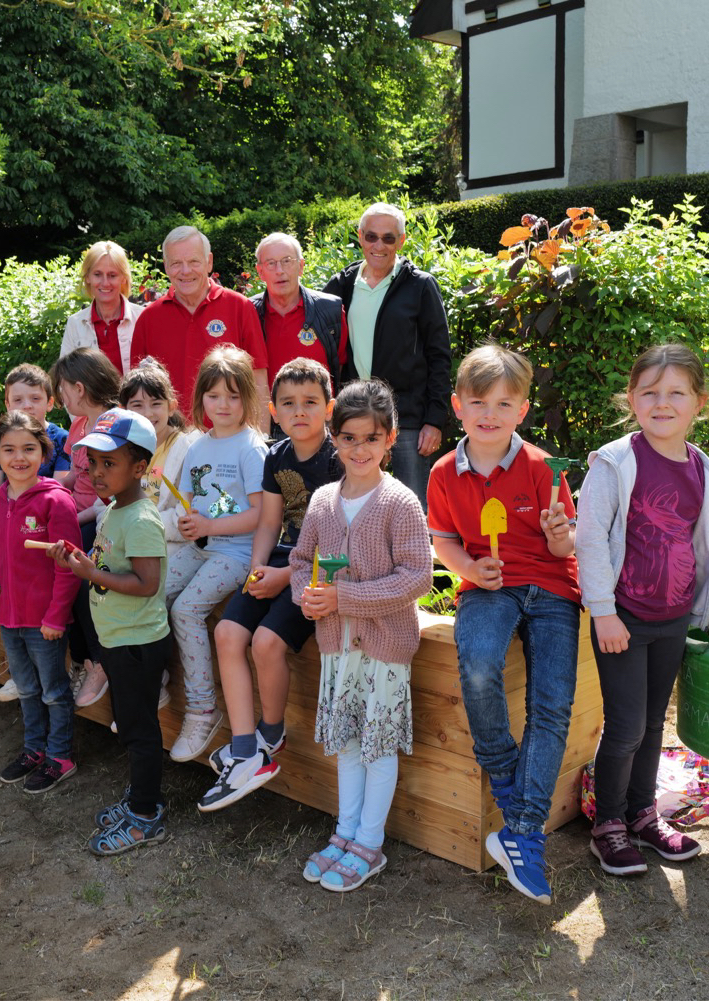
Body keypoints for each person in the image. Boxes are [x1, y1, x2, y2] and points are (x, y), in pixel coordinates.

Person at [575, 343, 709, 876]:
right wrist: (602, 611)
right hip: (622, 618)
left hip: (672, 619)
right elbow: (592, 539)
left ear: (699, 403)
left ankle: (644, 815)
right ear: (632, 399)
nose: (662, 403)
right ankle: (609, 826)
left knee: (650, 724)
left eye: (676, 393)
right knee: (624, 727)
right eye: (650, 393)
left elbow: (700, 543)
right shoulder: (616, 463)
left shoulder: (705, 472)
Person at [426, 344, 580, 903]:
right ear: (457, 406)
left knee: (554, 701)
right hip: (488, 586)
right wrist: (468, 566)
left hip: (553, 588)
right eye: (478, 402)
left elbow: (566, 542)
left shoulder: (542, 469)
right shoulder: (445, 474)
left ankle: (523, 831)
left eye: (503, 402)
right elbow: (442, 538)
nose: (489, 413)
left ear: (522, 410)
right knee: (482, 666)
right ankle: (508, 779)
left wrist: (560, 532)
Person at [289, 379, 432, 892]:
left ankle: (369, 844)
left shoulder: (400, 502)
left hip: (385, 648)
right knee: (347, 742)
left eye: (371, 438)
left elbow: (417, 575)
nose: (359, 449)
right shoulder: (325, 500)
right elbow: (301, 562)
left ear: (390, 438)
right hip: (337, 647)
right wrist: (307, 595)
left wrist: (345, 598)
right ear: (334, 437)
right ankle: (345, 833)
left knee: (377, 746)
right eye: (348, 438)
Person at [200, 358, 342, 811]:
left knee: (264, 642)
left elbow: (341, 544)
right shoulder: (276, 455)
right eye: (288, 404)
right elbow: (269, 521)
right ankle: (245, 746)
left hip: (321, 570)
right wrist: (258, 569)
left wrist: (286, 576)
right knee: (227, 632)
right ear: (273, 411)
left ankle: (271, 734)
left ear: (329, 408)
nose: (299, 412)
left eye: (310, 403)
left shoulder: (341, 458)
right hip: (282, 558)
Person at [50, 409, 172, 854]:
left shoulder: (141, 519)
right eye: (93, 463)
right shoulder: (114, 510)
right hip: (119, 641)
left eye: (109, 464)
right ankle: (141, 799)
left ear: (139, 468)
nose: (96, 473)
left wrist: (90, 575)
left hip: (137, 643)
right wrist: (80, 564)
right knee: (131, 728)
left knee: (140, 733)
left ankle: (146, 816)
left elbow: (147, 584)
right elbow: (106, 565)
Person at [164, 344, 268, 763]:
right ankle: (152, 683)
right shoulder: (197, 446)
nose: (222, 404)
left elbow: (261, 515)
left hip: (237, 554)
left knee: (186, 610)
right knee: (152, 594)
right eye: (213, 395)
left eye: (233, 395)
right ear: (200, 398)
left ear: (247, 397)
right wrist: (189, 522)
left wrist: (207, 526)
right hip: (200, 547)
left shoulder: (252, 447)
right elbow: (187, 502)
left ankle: (203, 709)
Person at [0, 411, 81, 793]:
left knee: (53, 690)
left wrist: (55, 616)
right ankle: (34, 749)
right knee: (28, 689)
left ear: (44, 452)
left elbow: (70, 567)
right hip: (8, 618)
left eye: (29, 448)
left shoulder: (56, 502)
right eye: (9, 449)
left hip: (44, 622)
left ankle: (60, 756)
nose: (19, 457)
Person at [323, 202, 451, 508]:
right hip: (354, 418)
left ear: (402, 241)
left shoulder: (420, 286)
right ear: (360, 237)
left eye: (388, 238)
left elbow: (439, 356)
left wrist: (434, 419)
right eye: (371, 237)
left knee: (413, 506)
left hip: (407, 419)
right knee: (353, 503)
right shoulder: (341, 286)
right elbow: (326, 352)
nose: (378, 245)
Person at [128, 225, 269, 420]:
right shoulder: (148, 318)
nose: (185, 271)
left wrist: (261, 439)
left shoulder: (239, 307)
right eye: (176, 263)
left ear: (209, 262)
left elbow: (258, 379)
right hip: (169, 441)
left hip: (230, 437)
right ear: (166, 266)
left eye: (194, 261)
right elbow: (137, 391)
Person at [48, 347, 123, 709]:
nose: (61, 396)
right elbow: (72, 476)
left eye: (62, 388)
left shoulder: (115, 423)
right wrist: (38, 489)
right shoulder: (78, 425)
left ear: (79, 388)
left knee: (77, 568)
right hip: (76, 514)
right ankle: (73, 659)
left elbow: (111, 493)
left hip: (104, 516)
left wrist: (72, 521)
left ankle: (99, 662)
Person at [119, 359, 200, 564]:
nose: (148, 413)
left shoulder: (188, 449)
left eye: (156, 404)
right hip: (125, 534)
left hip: (169, 542)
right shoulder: (121, 448)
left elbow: (185, 515)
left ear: (171, 406)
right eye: (137, 405)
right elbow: (106, 502)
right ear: (123, 410)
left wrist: (139, 527)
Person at [248, 232, 347, 391]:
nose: (279, 270)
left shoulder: (330, 310)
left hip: (318, 413)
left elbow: (340, 367)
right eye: (271, 263)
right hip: (265, 414)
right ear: (260, 272)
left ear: (301, 266)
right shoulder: (248, 313)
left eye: (287, 261)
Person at [60, 241, 143, 375]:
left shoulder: (142, 318)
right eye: (97, 274)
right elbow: (65, 377)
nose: (105, 283)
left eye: (112, 275)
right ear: (87, 277)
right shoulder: (75, 324)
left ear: (123, 278)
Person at [4, 363, 71, 478]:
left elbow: (60, 488)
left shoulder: (62, 439)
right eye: (18, 400)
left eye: (35, 399)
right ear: (8, 406)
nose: (27, 406)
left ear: (49, 403)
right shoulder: (2, 439)